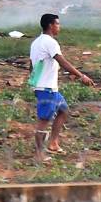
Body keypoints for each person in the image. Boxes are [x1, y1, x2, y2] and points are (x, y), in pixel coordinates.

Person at [29, 13, 94, 161]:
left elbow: (31, 64)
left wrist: (32, 82)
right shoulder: (50, 43)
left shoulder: (36, 42)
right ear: (51, 26)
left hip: (46, 87)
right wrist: (81, 76)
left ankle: (53, 143)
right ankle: (39, 154)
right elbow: (62, 61)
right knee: (43, 121)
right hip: (47, 89)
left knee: (64, 111)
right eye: (57, 24)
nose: (59, 27)